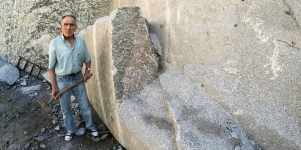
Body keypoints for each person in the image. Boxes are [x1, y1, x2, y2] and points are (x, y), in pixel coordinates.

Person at [48, 15, 99, 141]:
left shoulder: (81, 41)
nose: (68, 27)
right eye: (65, 24)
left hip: (78, 77)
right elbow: (51, 68)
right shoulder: (54, 43)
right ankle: (70, 130)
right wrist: (54, 87)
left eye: (71, 25)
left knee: (85, 105)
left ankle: (91, 126)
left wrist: (87, 71)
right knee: (65, 109)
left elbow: (87, 60)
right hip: (62, 80)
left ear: (75, 27)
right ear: (61, 26)